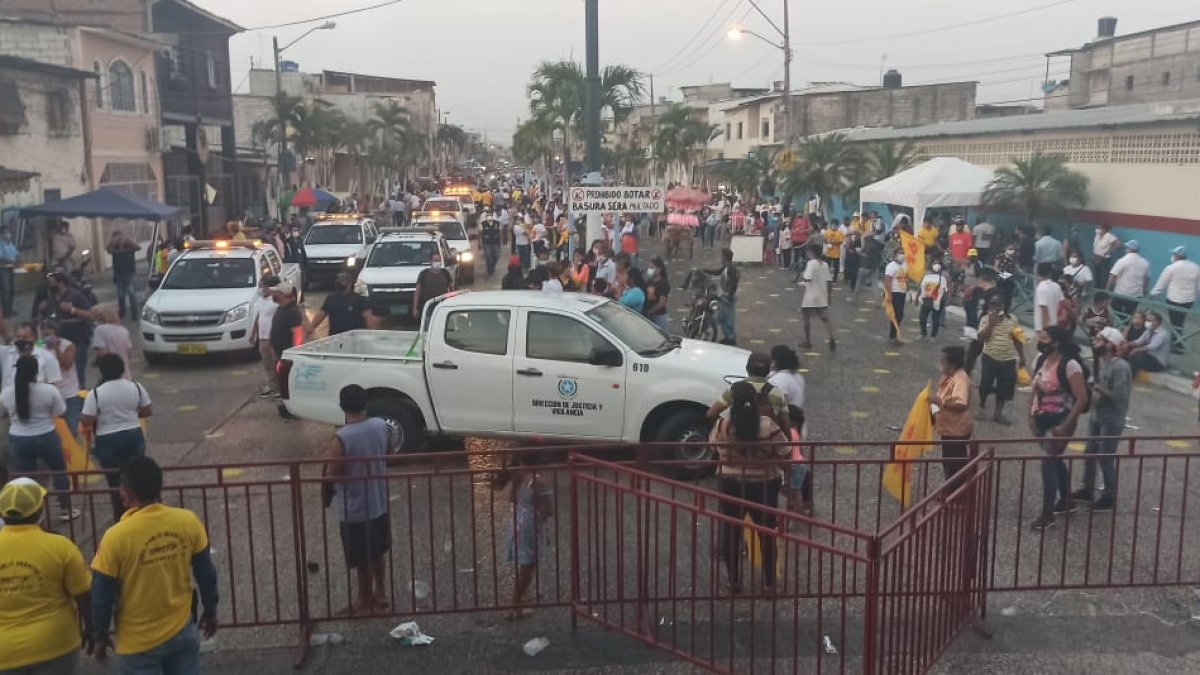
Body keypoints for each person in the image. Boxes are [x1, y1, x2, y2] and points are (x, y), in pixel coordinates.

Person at [91, 457, 218, 670]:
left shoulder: (116, 537)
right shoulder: (187, 521)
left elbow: (101, 594)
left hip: (138, 643)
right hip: (182, 630)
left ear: (127, 493)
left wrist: (100, 636)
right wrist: (211, 610)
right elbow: (206, 573)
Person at [0, 479, 93, 675]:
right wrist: (92, 628)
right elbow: (83, 593)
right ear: (39, 510)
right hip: (56, 646)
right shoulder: (60, 547)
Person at [710, 380, 789, 593]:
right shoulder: (767, 424)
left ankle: (734, 581)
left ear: (732, 403)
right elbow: (784, 451)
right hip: (763, 485)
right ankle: (769, 584)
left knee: (732, 530)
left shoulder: (722, 425)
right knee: (766, 533)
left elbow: (714, 447)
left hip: (730, 484)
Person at [322, 385, 391, 615]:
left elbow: (332, 474)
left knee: (361, 557)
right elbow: (390, 454)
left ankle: (364, 599)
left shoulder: (341, 438)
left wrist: (326, 493)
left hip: (354, 508)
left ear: (342, 406)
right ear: (365, 404)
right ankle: (380, 593)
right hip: (379, 501)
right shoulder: (381, 426)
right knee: (378, 551)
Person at [1028, 326, 1090, 531]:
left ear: (1055, 342)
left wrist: (1065, 426)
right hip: (1042, 419)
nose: (1041, 340)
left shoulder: (1070, 365)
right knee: (1054, 459)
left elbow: (1081, 399)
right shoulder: (1041, 360)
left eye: (1044, 337)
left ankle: (1047, 516)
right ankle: (1067, 500)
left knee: (1048, 462)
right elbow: (1035, 388)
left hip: (1060, 421)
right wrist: (1030, 414)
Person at [1, 355, 76, 521]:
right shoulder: (49, 390)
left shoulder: (7, 393)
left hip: (19, 439)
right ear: (36, 371)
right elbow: (60, 412)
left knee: (25, 478)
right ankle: (65, 509)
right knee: (59, 471)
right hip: (46, 436)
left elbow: (2, 414)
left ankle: (31, 513)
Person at [81, 354, 151, 522]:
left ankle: (121, 517)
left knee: (114, 481)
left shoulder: (96, 393)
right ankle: (140, 513)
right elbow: (147, 410)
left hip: (108, 439)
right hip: (133, 434)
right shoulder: (136, 387)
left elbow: (86, 420)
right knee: (136, 475)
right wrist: (131, 414)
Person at [1071, 327, 1131, 512]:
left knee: (1105, 457)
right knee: (1089, 452)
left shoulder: (1121, 367)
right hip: (1097, 415)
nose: (1095, 341)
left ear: (1110, 344)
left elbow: (1121, 397)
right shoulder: (1100, 362)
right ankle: (1087, 489)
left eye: (1100, 339)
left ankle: (1108, 496)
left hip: (1111, 419)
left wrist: (1098, 389)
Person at [491, 450, 553, 620]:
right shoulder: (538, 481)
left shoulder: (519, 475)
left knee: (525, 563)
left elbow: (513, 499)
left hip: (518, 521)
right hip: (531, 526)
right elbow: (547, 509)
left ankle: (520, 599)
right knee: (528, 566)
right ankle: (514, 606)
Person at [768, 345, 810, 516]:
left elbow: (778, 405)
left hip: (785, 429)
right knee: (799, 467)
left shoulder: (779, 381)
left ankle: (793, 507)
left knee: (785, 477)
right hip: (798, 426)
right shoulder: (797, 377)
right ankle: (804, 503)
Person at [975, 295, 1026, 424]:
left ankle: (998, 414)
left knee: (1004, 388)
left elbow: (1016, 338)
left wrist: (1022, 355)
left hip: (1008, 359)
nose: (994, 307)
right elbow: (981, 339)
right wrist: (991, 325)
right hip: (989, 357)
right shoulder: (985, 319)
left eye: (997, 304)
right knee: (985, 384)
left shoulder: (1012, 319)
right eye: (992, 304)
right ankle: (981, 406)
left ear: (1003, 306)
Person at [42, 271, 94, 388]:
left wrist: (72, 310)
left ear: (61, 283)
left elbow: (90, 315)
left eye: (52, 282)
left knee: (78, 373)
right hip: (58, 342)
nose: (50, 285)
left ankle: (80, 399)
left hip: (78, 340)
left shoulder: (76, 296)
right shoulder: (51, 299)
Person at [932, 345, 973, 484]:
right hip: (948, 428)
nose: (940, 364)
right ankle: (951, 491)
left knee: (955, 465)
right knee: (948, 463)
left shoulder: (959, 379)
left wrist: (940, 402)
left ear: (952, 364)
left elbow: (961, 404)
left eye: (943, 361)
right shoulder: (948, 376)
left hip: (956, 431)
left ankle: (956, 495)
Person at [40, 319, 83, 437]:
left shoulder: (68, 345)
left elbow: (67, 365)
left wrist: (56, 349)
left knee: (71, 429)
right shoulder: (38, 345)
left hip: (69, 393)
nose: (45, 337)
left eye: (48, 334)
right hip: (50, 393)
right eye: (44, 334)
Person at [1150, 246, 1200, 344]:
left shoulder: (1171, 267)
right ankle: (1177, 341)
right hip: (1188, 300)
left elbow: (1161, 283)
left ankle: (1177, 343)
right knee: (1180, 320)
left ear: (1177, 256)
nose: (1172, 256)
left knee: (1175, 322)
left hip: (1174, 299)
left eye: (1173, 254)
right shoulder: (1195, 267)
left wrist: (1153, 294)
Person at [269, 283, 305, 416]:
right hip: (279, 353)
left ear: (285, 295)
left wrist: (293, 353)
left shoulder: (292, 312)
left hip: (287, 355)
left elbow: (298, 333)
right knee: (283, 383)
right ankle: (286, 406)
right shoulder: (281, 308)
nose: (275, 295)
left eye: (278, 293)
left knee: (289, 383)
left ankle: (293, 409)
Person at [1, 321, 63, 387]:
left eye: (25, 337)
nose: (21, 340)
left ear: (35, 337)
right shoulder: (5, 353)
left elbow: (54, 383)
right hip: (9, 396)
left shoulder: (47, 357)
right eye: (18, 336)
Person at [799, 243, 836, 351]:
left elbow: (807, 278)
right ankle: (831, 336)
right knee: (824, 317)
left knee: (806, 317)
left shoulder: (811, 263)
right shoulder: (825, 264)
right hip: (822, 295)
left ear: (812, 252)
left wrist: (803, 275)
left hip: (810, 295)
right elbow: (829, 281)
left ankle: (808, 341)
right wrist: (829, 295)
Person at [251, 274, 280, 397]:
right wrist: (254, 333)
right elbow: (259, 317)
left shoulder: (276, 301)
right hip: (262, 337)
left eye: (262, 286)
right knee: (266, 363)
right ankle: (272, 385)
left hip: (272, 337)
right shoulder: (261, 300)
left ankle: (279, 387)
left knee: (275, 362)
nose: (261, 289)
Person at [1107, 240, 1150, 317]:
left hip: (1121, 293)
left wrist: (1108, 291)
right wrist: (1144, 291)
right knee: (1130, 313)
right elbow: (1146, 279)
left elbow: (1112, 277)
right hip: (1136, 294)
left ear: (1129, 249)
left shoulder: (1122, 261)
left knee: (1116, 311)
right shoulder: (1145, 262)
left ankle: (1121, 325)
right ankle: (1126, 325)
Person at [91, 304, 134, 380]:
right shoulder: (123, 330)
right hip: (125, 373)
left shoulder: (100, 330)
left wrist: (96, 361)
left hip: (109, 373)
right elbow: (129, 354)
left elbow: (102, 353)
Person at [105, 230, 141, 320]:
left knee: (128, 294)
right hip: (121, 273)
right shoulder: (115, 248)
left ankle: (131, 314)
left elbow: (138, 247)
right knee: (124, 294)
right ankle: (124, 313)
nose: (119, 240)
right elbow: (108, 248)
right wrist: (113, 241)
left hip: (127, 273)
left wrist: (128, 240)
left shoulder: (129, 247)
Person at [1126, 310, 1171, 375]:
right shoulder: (1149, 331)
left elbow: (1152, 347)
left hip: (1158, 362)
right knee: (1129, 351)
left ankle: (1131, 375)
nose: (1148, 323)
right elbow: (1140, 341)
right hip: (1149, 358)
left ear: (1158, 322)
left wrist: (1135, 350)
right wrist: (1127, 345)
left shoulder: (1163, 334)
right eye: (1147, 320)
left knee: (1138, 355)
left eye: (1150, 321)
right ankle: (1128, 372)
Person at [412, 251, 454, 319]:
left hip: (442, 306)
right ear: (430, 261)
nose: (437, 262)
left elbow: (452, 289)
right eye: (435, 260)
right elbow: (417, 292)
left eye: (439, 260)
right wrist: (415, 308)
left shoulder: (445, 273)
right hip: (428, 306)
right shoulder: (424, 274)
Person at [919, 261, 949, 340]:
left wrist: (946, 299)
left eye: (938, 263)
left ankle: (933, 336)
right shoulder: (926, 276)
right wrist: (918, 297)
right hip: (926, 299)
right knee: (922, 317)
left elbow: (945, 290)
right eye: (935, 263)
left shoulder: (943, 277)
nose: (937, 265)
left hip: (937, 301)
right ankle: (923, 334)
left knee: (935, 318)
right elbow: (921, 287)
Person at [884, 249, 908, 346]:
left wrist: (908, 290)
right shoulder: (891, 266)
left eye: (903, 253)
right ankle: (892, 336)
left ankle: (896, 335)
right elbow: (887, 281)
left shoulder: (905, 265)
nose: (902, 255)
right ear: (894, 255)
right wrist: (889, 295)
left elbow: (906, 278)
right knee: (896, 315)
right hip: (894, 292)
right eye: (900, 253)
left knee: (900, 315)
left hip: (902, 292)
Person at [1034, 262, 1063, 335]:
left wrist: (1045, 329)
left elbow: (1044, 309)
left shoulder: (1041, 288)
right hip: (1055, 324)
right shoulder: (1057, 286)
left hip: (1043, 327)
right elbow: (1061, 305)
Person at [644, 257, 671, 329]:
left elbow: (661, 303)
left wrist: (650, 312)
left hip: (659, 317)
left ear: (659, 270)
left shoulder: (664, 283)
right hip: (648, 316)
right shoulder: (649, 281)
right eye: (649, 267)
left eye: (652, 268)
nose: (649, 270)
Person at [479, 209, 503, 277]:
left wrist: (500, 242)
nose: (489, 216)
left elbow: (500, 232)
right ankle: (490, 269)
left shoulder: (497, 223)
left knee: (496, 256)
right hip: (486, 243)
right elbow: (480, 233)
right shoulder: (483, 224)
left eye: (490, 215)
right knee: (488, 256)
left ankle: (492, 265)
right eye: (488, 215)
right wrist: (479, 243)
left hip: (495, 242)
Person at [0, 225, 17, 317]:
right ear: (1, 234)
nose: (7, 234)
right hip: (3, 269)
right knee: (5, 291)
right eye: (5, 232)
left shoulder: (10, 243)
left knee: (12, 290)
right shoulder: (0, 244)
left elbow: (16, 254)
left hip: (11, 269)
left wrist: (17, 260)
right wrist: (10, 260)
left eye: (8, 232)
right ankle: (6, 313)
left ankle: (10, 310)